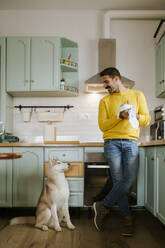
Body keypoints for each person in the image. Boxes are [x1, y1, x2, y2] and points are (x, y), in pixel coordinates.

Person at [93, 67, 151, 237]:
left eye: (106, 81)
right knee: (119, 180)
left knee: (129, 179)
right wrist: (120, 116)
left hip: (131, 142)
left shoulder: (137, 95)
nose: (105, 85)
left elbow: (146, 119)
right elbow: (103, 125)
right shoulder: (104, 101)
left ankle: (103, 205)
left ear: (116, 79)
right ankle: (127, 219)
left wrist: (134, 115)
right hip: (111, 143)